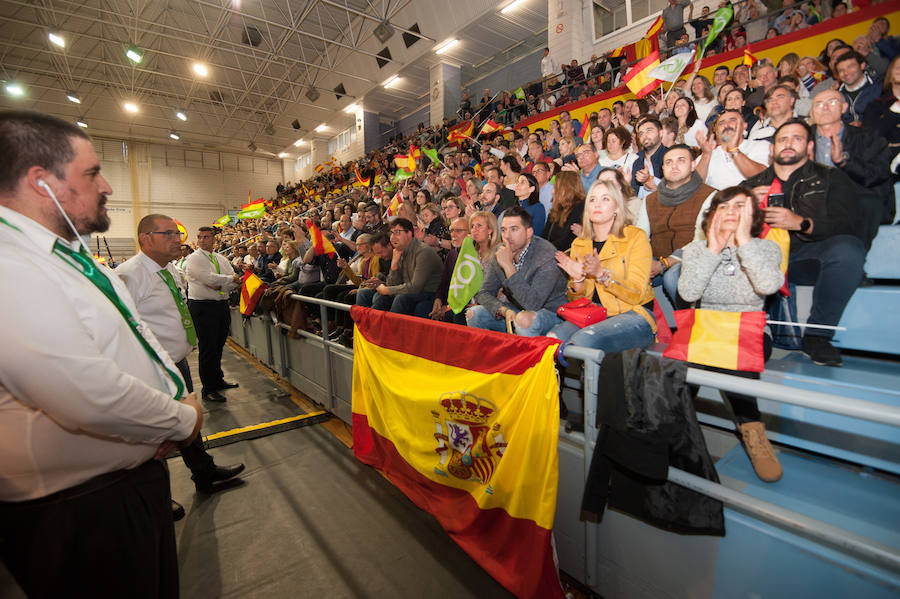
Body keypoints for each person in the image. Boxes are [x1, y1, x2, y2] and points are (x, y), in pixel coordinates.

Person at [0, 110, 202, 597]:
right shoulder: (11, 267)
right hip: (79, 511)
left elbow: (131, 341)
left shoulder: (59, 256)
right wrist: (179, 420)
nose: (108, 184)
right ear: (42, 182)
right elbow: (84, 393)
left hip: (118, 488)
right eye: (92, 173)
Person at [117, 214, 246, 514]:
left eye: (178, 234)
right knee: (154, 432)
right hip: (152, 368)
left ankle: (204, 473)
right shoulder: (129, 275)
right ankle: (155, 499)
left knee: (185, 421)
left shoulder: (170, 270)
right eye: (169, 234)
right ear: (146, 239)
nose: (178, 239)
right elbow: (121, 326)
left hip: (176, 362)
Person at [678, 187, 785, 482]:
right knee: (679, 372)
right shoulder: (697, 249)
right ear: (712, 214)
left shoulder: (765, 248)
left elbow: (768, 286)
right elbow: (688, 293)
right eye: (724, 207)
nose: (731, 212)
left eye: (740, 206)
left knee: (735, 358)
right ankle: (678, 436)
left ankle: (753, 432)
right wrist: (713, 249)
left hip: (749, 328)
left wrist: (744, 242)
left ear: (752, 214)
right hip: (707, 327)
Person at [742, 120, 866, 366]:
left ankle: (817, 336)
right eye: (782, 139)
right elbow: (721, 226)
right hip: (762, 259)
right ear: (771, 149)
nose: (788, 144)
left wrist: (803, 223)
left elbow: (849, 224)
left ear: (809, 147)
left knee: (848, 249)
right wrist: (744, 207)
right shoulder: (750, 186)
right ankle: (744, 330)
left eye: (796, 138)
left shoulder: (830, 178)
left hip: (805, 255)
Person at [548, 180, 657, 351]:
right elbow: (577, 302)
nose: (597, 204)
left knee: (583, 340)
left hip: (634, 314)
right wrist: (577, 282)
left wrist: (601, 274)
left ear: (617, 207)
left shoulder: (635, 237)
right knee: (553, 339)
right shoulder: (580, 243)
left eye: (605, 199)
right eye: (592, 199)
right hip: (594, 315)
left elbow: (637, 293)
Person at [467, 205, 567, 336]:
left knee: (524, 320)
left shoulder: (546, 255)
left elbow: (533, 304)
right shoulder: (500, 250)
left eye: (514, 229)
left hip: (550, 313)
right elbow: (484, 293)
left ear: (529, 232)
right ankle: (493, 355)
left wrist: (508, 267)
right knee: (474, 314)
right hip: (517, 310)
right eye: (503, 230)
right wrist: (503, 310)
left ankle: (522, 356)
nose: (507, 236)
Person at [644, 144, 718, 306]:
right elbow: (640, 235)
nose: (674, 166)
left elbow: (703, 241)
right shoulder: (650, 200)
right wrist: (643, 262)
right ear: (663, 168)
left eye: (681, 160)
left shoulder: (711, 195)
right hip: (656, 259)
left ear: (693, 165)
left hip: (693, 259)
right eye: (668, 162)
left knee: (673, 276)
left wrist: (666, 263)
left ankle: (691, 325)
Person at [810, 89, 892, 230]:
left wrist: (844, 161)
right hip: (813, 207)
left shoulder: (867, 138)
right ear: (811, 113)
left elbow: (878, 174)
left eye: (832, 102)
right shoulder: (801, 140)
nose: (825, 107)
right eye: (818, 104)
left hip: (855, 209)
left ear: (844, 107)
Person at [183, 226, 242, 401]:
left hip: (220, 305)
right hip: (202, 306)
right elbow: (209, 279)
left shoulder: (220, 259)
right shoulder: (193, 259)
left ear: (214, 239)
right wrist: (228, 280)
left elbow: (230, 281)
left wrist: (224, 282)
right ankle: (208, 389)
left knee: (218, 345)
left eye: (206, 237)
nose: (202, 240)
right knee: (208, 348)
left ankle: (217, 380)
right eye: (200, 237)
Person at [360, 217, 443, 316]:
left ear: (409, 233)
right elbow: (393, 284)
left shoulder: (423, 251)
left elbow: (415, 287)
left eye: (397, 232)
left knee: (401, 298)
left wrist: (387, 290)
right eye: (391, 233)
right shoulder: (399, 251)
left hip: (428, 292)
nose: (393, 237)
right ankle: (367, 328)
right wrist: (394, 265)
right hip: (410, 291)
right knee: (365, 294)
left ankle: (387, 329)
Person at [696, 109, 770, 189]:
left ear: (744, 126)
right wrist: (706, 156)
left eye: (733, 120)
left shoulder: (760, 146)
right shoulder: (706, 156)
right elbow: (694, 187)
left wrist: (734, 150)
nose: (727, 125)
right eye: (721, 123)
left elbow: (762, 177)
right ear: (716, 131)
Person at [542, 170, 586, 251]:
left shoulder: (580, 208)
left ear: (567, 189)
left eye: (556, 188)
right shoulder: (557, 207)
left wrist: (545, 250)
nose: (552, 192)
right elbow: (545, 234)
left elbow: (567, 241)